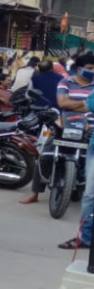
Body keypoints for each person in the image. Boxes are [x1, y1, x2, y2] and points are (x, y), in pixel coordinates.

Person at [52, 54, 94, 250]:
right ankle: (85, 237)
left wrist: (75, 103)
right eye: (90, 67)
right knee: (90, 195)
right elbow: (63, 103)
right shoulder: (66, 82)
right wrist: (83, 104)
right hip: (73, 129)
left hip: (88, 135)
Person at [19, 61, 75, 204]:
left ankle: (35, 193)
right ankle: (35, 191)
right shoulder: (64, 81)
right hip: (55, 120)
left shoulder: (39, 78)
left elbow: (28, 95)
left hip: (68, 122)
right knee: (45, 152)